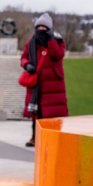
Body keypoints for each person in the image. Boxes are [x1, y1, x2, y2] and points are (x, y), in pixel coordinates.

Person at [20, 12, 68, 146]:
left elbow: (57, 55)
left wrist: (51, 40)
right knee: (36, 113)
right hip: (36, 84)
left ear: (49, 29)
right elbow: (23, 57)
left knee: (51, 114)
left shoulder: (57, 40)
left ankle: (51, 138)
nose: (41, 31)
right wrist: (27, 65)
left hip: (52, 85)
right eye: (39, 28)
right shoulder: (31, 42)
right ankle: (34, 137)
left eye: (44, 28)